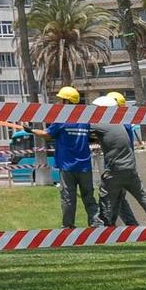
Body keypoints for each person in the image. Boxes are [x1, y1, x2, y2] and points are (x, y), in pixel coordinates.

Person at [89, 93, 146, 226]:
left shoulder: (101, 124)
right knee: (143, 197)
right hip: (130, 167)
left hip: (115, 169)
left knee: (106, 197)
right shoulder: (119, 123)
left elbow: (82, 127)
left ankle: (104, 228)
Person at [45, 85, 99, 230]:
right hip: (85, 166)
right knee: (89, 196)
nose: (58, 103)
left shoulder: (62, 120)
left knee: (68, 198)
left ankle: (68, 225)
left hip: (68, 166)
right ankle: (95, 223)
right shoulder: (84, 119)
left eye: (60, 100)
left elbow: (47, 134)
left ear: (66, 102)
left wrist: (31, 130)